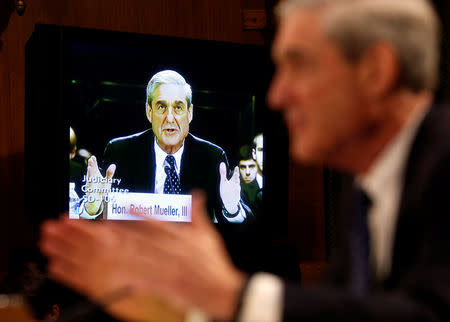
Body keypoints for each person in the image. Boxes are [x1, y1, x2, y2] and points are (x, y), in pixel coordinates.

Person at [40, 0, 450, 321]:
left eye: (298, 64)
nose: (277, 96)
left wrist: (230, 294)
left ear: (376, 71)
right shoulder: (362, 193)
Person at [81, 70, 250, 223]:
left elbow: (235, 229)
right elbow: (98, 224)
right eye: (161, 107)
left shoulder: (211, 157)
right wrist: (92, 208)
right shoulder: (120, 152)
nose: (170, 118)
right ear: (149, 112)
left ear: (189, 113)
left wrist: (232, 210)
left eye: (178, 107)